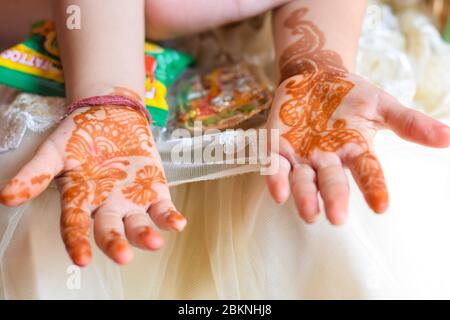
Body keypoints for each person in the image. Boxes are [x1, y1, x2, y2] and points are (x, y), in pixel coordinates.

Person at [0, 0, 449, 270]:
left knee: (332, 226)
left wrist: (314, 67)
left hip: (263, 37)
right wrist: (107, 97)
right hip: (92, 40)